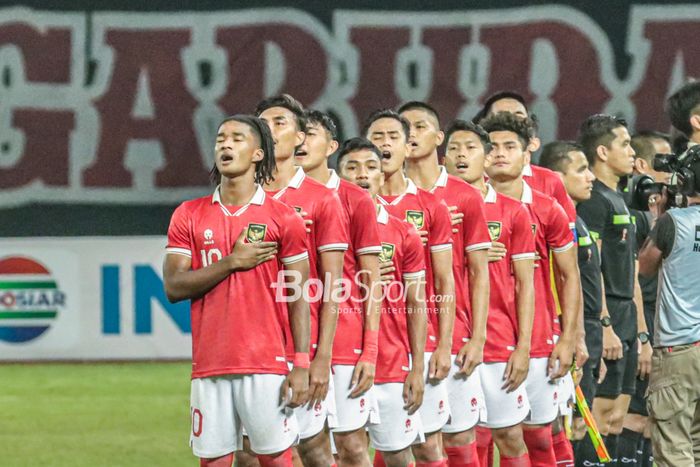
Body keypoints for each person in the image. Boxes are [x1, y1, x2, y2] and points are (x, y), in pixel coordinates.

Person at [163, 115, 310, 467]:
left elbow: (299, 296)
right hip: (209, 364)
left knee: (275, 460)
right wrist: (232, 262)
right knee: (213, 462)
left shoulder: (284, 217)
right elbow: (173, 286)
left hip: (266, 364)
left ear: (259, 153)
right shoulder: (189, 214)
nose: (225, 145)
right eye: (220, 138)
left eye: (237, 139)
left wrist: (302, 362)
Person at [481, 112, 582, 467]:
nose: (499, 153)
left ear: (527, 156)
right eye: (491, 147)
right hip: (482, 338)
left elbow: (570, 276)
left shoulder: (547, 208)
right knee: (479, 434)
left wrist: (570, 338)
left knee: (540, 435)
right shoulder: (465, 207)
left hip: (539, 337)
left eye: (510, 146)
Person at [399, 102, 492, 467]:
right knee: (396, 436)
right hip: (397, 331)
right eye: (403, 127)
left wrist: (478, 337)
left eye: (419, 126)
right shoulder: (382, 198)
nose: (411, 134)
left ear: (439, 138)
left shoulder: (464, 196)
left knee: (458, 435)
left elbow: (479, 272)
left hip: (451, 332)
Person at [364, 109, 455, 466]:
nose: (384, 144)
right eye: (377, 137)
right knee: (353, 446)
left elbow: (444, 280)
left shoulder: (431, 206)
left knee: (428, 446)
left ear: (407, 146)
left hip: (416, 339)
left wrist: (443, 344)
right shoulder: (349, 207)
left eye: (393, 137)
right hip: (360, 341)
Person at [444, 119, 537, 467]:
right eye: (453, 149)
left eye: (470, 148)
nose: (461, 155)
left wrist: (524, 345)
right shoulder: (433, 209)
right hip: (450, 335)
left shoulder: (513, 212)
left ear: (486, 157)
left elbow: (527, 284)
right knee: (451, 436)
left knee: (510, 435)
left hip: (499, 338)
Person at [296, 109, 385, 465]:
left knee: (351, 445)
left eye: (311, 134)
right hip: (295, 336)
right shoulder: (274, 195)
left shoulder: (355, 198)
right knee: (304, 445)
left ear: (331, 146)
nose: (301, 141)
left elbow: (371, 279)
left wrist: (371, 349)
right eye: (297, 134)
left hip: (346, 337)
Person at [338, 137, 429, 467]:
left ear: (383, 175)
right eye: (352, 167)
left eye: (371, 167)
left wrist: (418, 366)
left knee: (398, 456)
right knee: (347, 450)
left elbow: (417, 303)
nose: (362, 174)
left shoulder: (404, 232)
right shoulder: (326, 230)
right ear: (339, 177)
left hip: (392, 361)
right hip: (341, 359)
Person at [576, 114, 646, 466]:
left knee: (617, 419)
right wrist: (604, 325)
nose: (632, 152)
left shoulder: (622, 203)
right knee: (597, 418)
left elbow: (631, 272)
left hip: (627, 317)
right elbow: (592, 267)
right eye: (625, 144)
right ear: (602, 152)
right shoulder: (593, 201)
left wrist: (643, 334)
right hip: (607, 318)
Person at [639, 80, 700, 467]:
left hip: (678, 347)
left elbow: (643, 267)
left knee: (674, 450)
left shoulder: (673, 222)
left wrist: (659, 216)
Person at [539, 141, 608, 466]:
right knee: (563, 425)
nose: (590, 176)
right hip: (558, 330)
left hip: (585, 328)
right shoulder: (550, 225)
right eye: (580, 169)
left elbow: (587, 280)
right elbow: (562, 282)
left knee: (575, 424)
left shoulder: (576, 222)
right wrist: (570, 334)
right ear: (555, 176)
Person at [621, 131, 673, 466]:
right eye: (663, 161)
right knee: (634, 417)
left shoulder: (665, 211)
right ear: (641, 164)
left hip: (665, 327)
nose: (671, 169)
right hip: (642, 326)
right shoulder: (632, 214)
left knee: (656, 422)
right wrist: (642, 336)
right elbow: (633, 279)